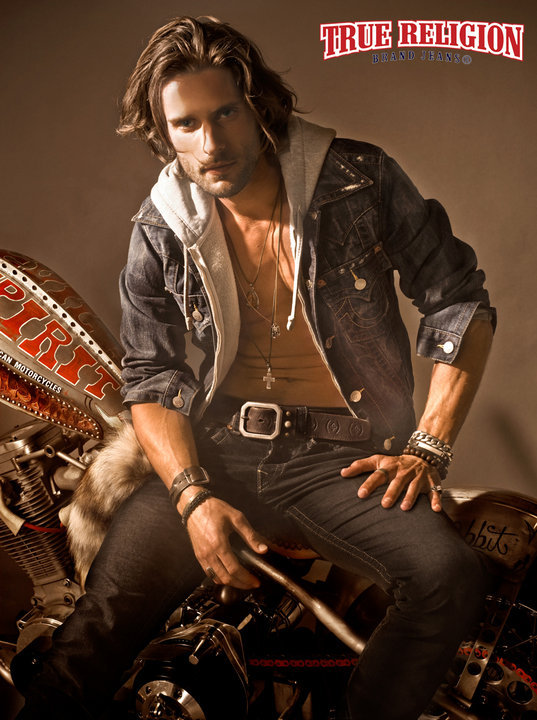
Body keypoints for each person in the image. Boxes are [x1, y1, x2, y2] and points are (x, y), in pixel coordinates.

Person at [14, 15, 496, 720]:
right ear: (163, 133)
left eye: (226, 114)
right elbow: (151, 376)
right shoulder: (161, 225)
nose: (210, 145)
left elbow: (457, 299)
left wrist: (428, 445)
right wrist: (191, 497)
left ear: (259, 106)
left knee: (446, 577)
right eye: (186, 125)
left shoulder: (356, 180)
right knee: (102, 622)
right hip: (218, 453)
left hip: (340, 459)